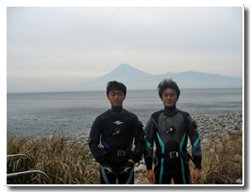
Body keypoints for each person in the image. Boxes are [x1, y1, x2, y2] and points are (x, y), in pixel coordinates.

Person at [144, 79, 202, 184]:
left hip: (181, 167)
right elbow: (148, 143)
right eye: (165, 95)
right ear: (161, 98)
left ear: (177, 97)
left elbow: (196, 141)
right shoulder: (155, 118)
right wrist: (149, 168)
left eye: (172, 95)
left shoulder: (185, 117)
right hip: (161, 166)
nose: (169, 98)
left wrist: (197, 167)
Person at [89, 80, 145, 184]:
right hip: (107, 164)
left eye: (119, 94)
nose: (116, 97)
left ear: (124, 96)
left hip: (127, 163)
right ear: (108, 96)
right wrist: (103, 162)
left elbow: (140, 141)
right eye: (113, 94)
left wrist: (132, 161)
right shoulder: (101, 119)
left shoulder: (132, 118)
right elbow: (93, 142)